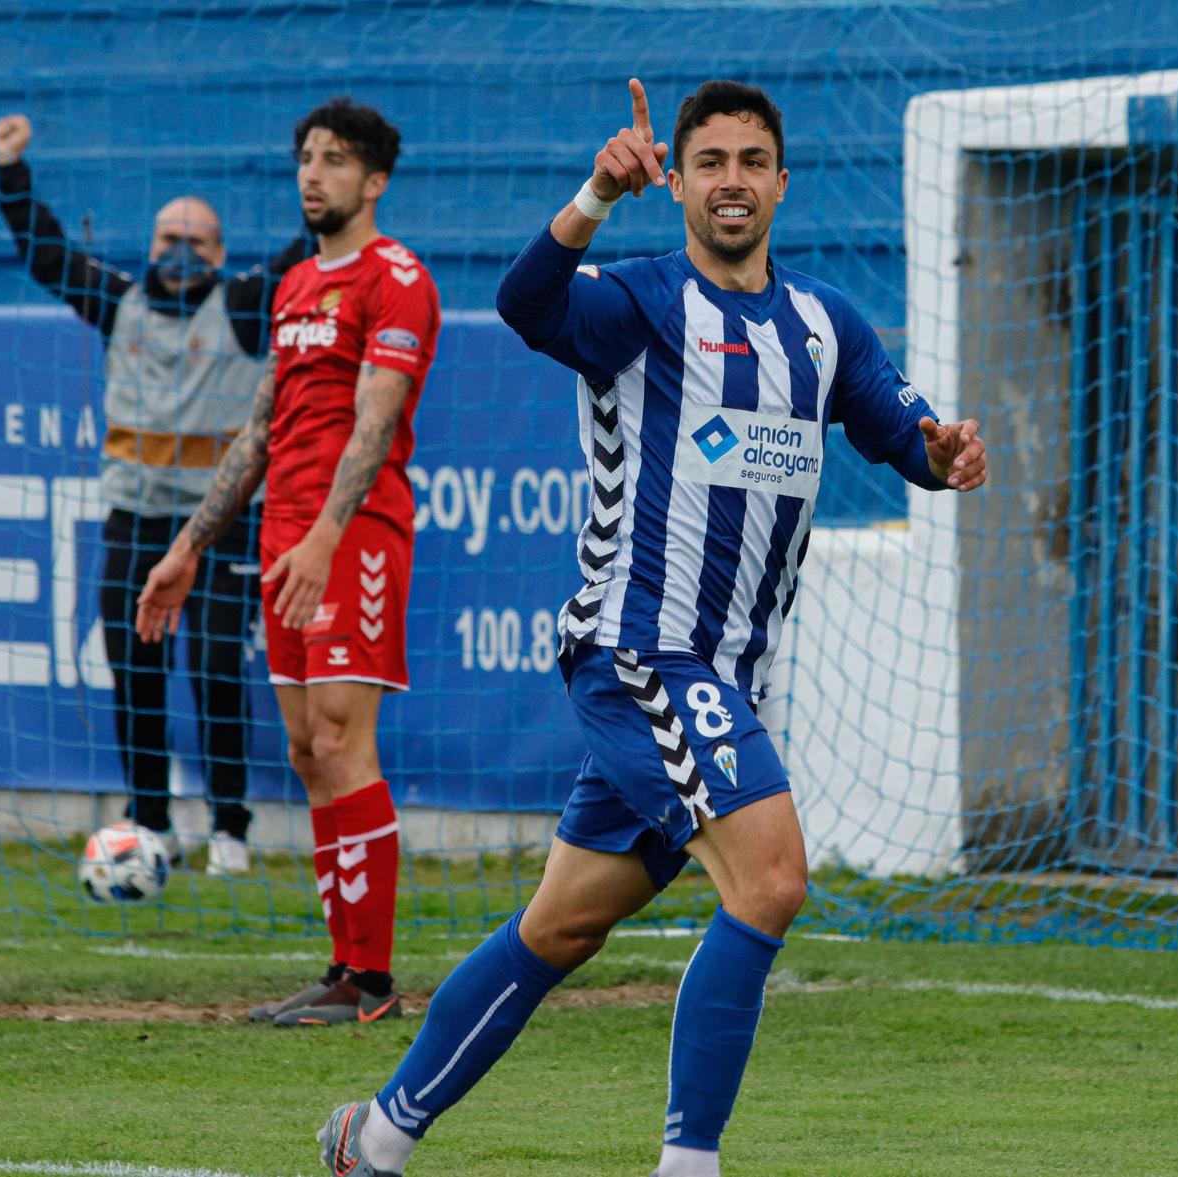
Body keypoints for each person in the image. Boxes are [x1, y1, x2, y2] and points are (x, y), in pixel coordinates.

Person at [313, 78, 989, 1177]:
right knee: (769, 881)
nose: (731, 181)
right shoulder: (638, 302)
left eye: (750, 161)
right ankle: (689, 1166)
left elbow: (895, 423)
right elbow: (528, 303)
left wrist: (943, 451)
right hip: (639, 651)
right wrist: (592, 194)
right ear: (676, 178)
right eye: (708, 161)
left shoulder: (823, 324)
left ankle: (377, 1136)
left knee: (560, 927)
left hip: (725, 673)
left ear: (781, 180)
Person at [136, 98, 440, 1028]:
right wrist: (189, 547)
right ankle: (341, 969)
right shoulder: (297, 285)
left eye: (336, 160)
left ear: (374, 180)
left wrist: (323, 540)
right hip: (283, 543)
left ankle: (375, 982)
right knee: (309, 753)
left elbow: (376, 419)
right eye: (307, 157)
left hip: (354, 541)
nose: (314, 173)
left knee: (346, 744)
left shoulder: (398, 279)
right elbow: (265, 428)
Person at [0, 113, 308, 874]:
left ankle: (229, 827)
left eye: (198, 238)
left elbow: (310, 251)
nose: (180, 249)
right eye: (168, 235)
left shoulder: (241, 304)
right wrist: (11, 170)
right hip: (133, 520)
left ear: (223, 254)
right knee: (132, 669)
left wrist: (318, 180)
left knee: (215, 670)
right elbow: (47, 256)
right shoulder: (120, 302)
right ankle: (148, 820)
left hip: (220, 525)